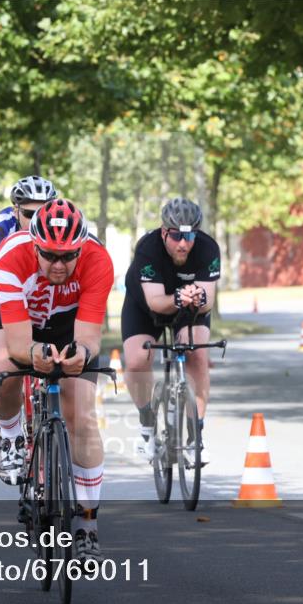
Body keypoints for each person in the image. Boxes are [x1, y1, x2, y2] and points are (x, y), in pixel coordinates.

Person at [0, 199, 113, 562]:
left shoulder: (98, 260)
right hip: (17, 317)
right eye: (50, 256)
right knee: (2, 366)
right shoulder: (11, 258)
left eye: (68, 256)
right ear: (34, 245)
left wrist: (81, 357)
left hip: (68, 322)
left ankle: (87, 522)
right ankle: (10, 435)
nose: (59, 265)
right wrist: (34, 356)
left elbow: (88, 338)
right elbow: (20, 345)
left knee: (83, 416)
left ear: (81, 248)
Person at [121, 198, 219, 465]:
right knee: (138, 359)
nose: (183, 243)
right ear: (164, 232)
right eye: (176, 236)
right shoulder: (148, 249)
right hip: (146, 307)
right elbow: (155, 302)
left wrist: (196, 298)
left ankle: (194, 438)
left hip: (188, 309)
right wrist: (177, 297)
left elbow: (208, 300)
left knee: (196, 355)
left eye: (189, 235)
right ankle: (146, 422)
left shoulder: (208, 248)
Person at [0, 175, 58, 300]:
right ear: (16, 211)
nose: (35, 220)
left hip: (37, 284)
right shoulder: (0, 226)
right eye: (29, 214)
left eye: (43, 213)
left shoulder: (58, 223)